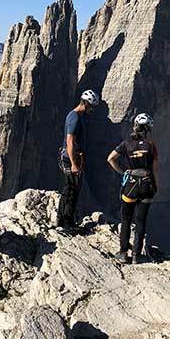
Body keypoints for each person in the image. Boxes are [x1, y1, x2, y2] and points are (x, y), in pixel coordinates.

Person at [107, 113, 157, 264]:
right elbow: (155, 169)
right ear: (147, 129)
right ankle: (136, 255)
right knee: (141, 221)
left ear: (135, 126)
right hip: (147, 185)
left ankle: (123, 253)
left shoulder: (126, 143)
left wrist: (123, 172)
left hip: (131, 185)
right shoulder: (151, 145)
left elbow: (110, 159)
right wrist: (156, 186)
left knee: (126, 219)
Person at [57, 89, 100, 232]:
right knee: (72, 189)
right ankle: (66, 222)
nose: (92, 110)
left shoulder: (76, 116)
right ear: (87, 104)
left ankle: (63, 220)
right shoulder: (74, 117)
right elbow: (69, 141)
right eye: (92, 107)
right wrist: (74, 163)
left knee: (70, 188)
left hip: (73, 157)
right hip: (70, 159)